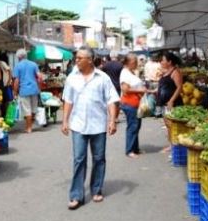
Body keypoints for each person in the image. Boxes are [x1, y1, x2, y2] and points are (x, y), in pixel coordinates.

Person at [61, 46, 119, 210]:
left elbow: (111, 100)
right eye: (76, 58)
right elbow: (68, 101)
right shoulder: (72, 78)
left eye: (80, 58)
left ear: (90, 60)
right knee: (79, 159)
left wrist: (112, 121)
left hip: (98, 125)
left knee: (99, 158)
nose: (76, 60)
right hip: (78, 125)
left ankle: (96, 189)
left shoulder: (103, 78)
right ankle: (76, 195)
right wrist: (65, 121)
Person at [120, 53, 148, 158]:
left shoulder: (131, 72)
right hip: (129, 103)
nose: (136, 63)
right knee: (133, 126)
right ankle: (130, 150)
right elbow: (125, 90)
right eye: (134, 62)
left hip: (136, 103)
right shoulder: (125, 73)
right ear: (128, 63)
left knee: (136, 126)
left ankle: (135, 148)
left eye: (136, 61)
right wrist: (140, 90)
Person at [157, 51, 183, 153]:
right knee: (168, 125)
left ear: (169, 61)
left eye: (163, 60)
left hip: (173, 104)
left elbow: (179, 87)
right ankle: (171, 144)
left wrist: (171, 100)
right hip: (164, 103)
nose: (161, 62)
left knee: (172, 125)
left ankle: (175, 146)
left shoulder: (175, 72)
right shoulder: (166, 71)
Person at [13, 48, 41, 134]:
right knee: (33, 109)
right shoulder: (34, 64)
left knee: (27, 110)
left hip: (24, 90)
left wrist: (15, 92)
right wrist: (39, 87)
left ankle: (29, 128)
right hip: (34, 89)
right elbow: (39, 77)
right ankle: (30, 125)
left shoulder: (18, 66)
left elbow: (16, 81)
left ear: (19, 57)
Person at [0, 52, 13, 117]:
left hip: (5, 84)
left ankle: (5, 115)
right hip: (4, 84)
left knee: (5, 100)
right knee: (4, 100)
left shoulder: (1, 63)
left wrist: (9, 80)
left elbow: (9, 70)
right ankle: (4, 115)